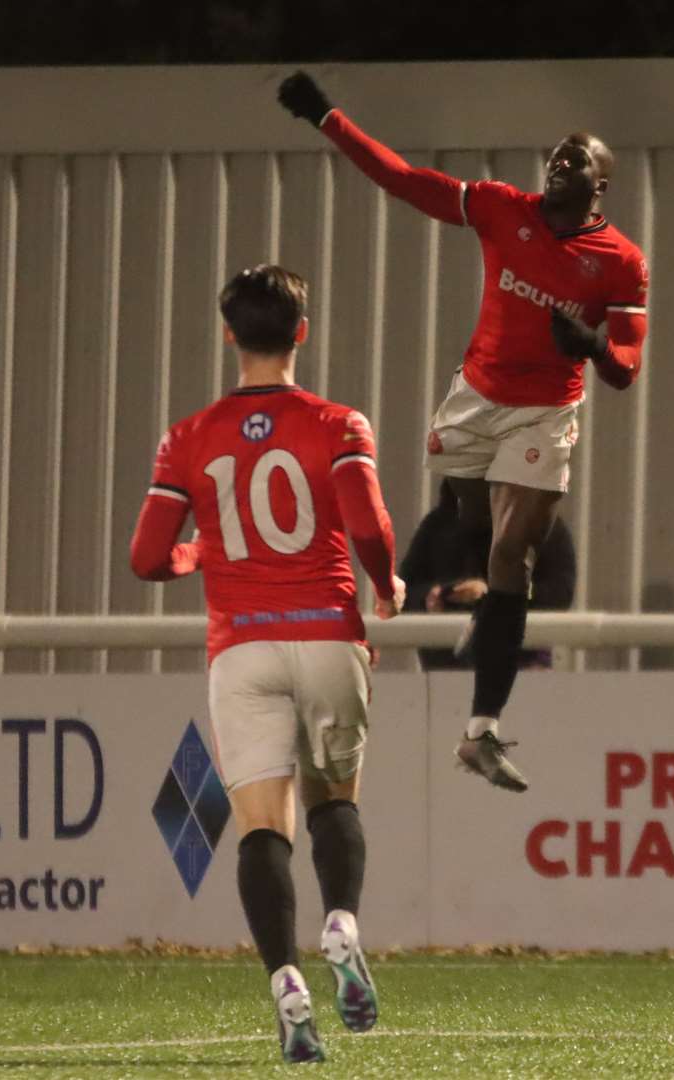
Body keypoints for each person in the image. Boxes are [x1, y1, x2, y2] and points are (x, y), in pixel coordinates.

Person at [277, 71, 648, 793]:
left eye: (575, 160)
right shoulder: (503, 209)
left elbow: (628, 367)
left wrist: (597, 348)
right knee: (470, 527)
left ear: (599, 185)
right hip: (474, 401)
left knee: (515, 554)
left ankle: (481, 730)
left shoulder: (622, 263)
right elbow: (404, 179)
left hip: (546, 412)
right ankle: (493, 626)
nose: (558, 163)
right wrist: (327, 117)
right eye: (556, 154)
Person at [129, 264, 405, 1065]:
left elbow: (147, 556)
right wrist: (384, 584)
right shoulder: (338, 423)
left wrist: (197, 554)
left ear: (229, 335)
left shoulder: (188, 437)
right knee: (334, 800)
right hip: (325, 632)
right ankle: (343, 926)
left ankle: (286, 979)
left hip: (241, 645)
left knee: (259, 824)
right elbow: (369, 525)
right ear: (302, 332)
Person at [400, 480, 577, 671]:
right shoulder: (437, 526)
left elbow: (559, 592)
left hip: (521, 672)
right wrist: (431, 598)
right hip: (446, 675)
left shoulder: (539, 523)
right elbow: (405, 593)